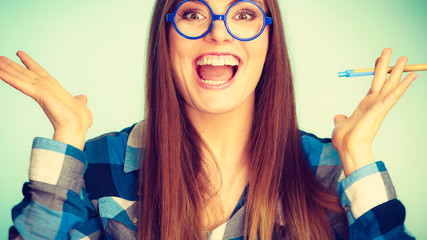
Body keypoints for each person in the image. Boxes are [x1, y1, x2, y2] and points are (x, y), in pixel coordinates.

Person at [0, 0, 418, 239]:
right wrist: (67, 137)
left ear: (271, 42)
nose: (219, 32)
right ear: (165, 40)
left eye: (244, 14)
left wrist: (357, 156)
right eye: (194, 13)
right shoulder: (95, 165)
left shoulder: (329, 168)